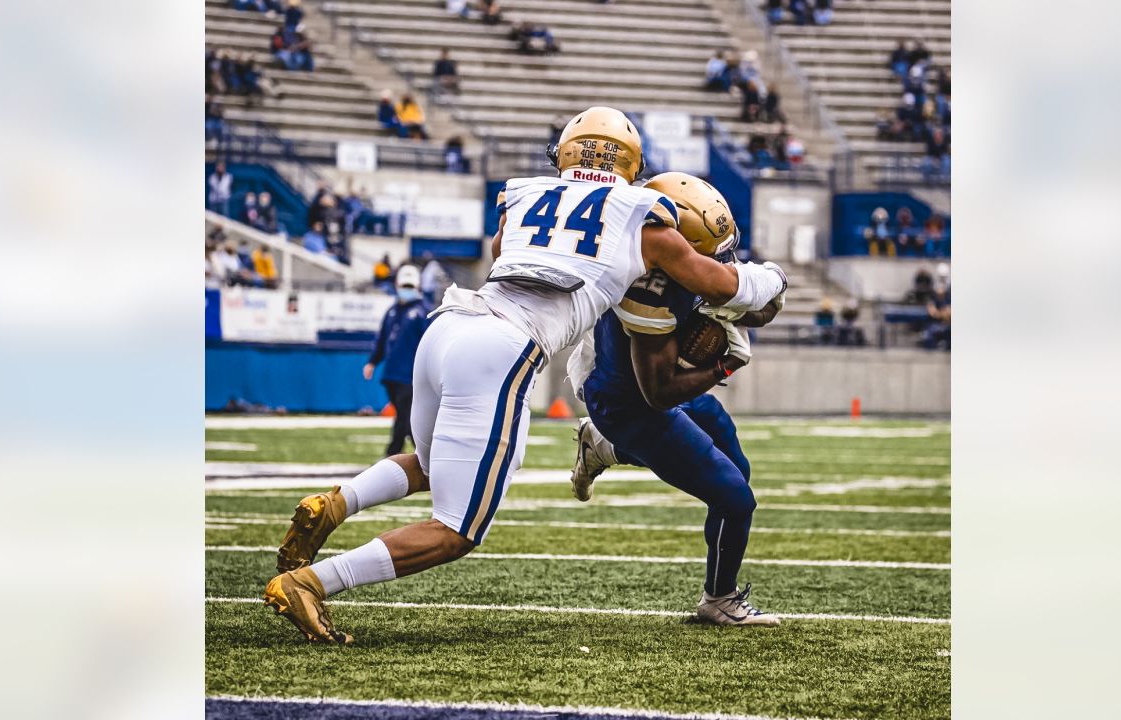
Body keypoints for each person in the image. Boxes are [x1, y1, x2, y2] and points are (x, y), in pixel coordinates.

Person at [261, 106, 788, 644]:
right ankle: (311, 582)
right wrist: (772, 276)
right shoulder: (644, 216)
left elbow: (501, 251)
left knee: (428, 462)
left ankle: (334, 504)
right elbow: (725, 287)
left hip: (448, 325)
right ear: (630, 164)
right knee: (457, 530)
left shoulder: (525, 197)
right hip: (502, 349)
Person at [566, 172, 783, 625]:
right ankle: (719, 600)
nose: (720, 262)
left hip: (649, 387)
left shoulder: (671, 264)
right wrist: (723, 366)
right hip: (631, 404)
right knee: (734, 499)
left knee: (737, 470)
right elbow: (659, 393)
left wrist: (766, 289)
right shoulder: (649, 293)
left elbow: (752, 305)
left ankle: (603, 448)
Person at [363, 265, 431, 457]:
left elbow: (431, 343)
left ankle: (395, 453)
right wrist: (372, 362)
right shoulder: (392, 311)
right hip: (392, 373)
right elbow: (383, 338)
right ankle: (418, 453)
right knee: (403, 416)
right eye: (404, 285)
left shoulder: (423, 312)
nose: (406, 289)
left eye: (410, 286)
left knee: (406, 416)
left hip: (410, 375)